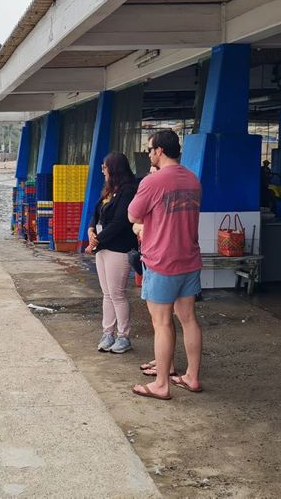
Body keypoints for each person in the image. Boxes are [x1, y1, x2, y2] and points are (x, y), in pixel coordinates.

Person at [128, 129, 204, 400]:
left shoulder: (154, 181)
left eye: (150, 149)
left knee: (161, 323)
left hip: (162, 261)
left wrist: (142, 224)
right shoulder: (193, 179)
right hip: (189, 259)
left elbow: (133, 214)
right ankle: (191, 377)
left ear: (159, 150)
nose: (149, 154)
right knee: (188, 319)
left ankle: (162, 383)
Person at [86, 152, 139, 354]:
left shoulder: (128, 192)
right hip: (103, 248)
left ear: (114, 169)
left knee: (117, 294)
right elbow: (96, 212)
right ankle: (108, 332)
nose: (102, 170)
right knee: (107, 294)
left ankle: (123, 336)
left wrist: (96, 240)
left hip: (119, 248)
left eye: (104, 167)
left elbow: (120, 223)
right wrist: (91, 230)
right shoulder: (109, 191)